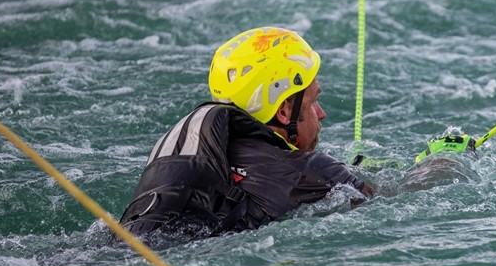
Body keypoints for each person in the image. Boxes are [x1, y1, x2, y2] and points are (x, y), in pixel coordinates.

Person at [116, 27, 373, 243]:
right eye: (314, 100)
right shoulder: (309, 171)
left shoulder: (204, 152)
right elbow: (392, 200)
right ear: (284, 112)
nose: (322, 113)